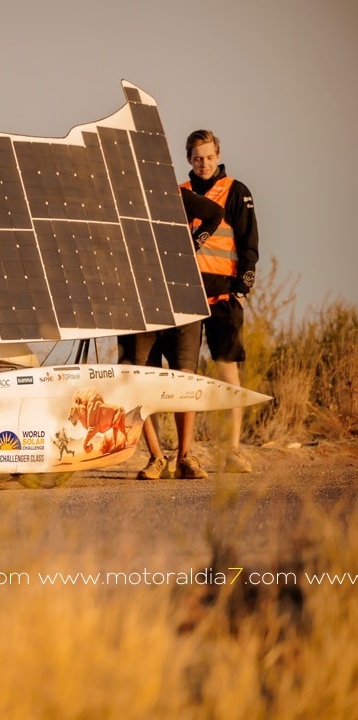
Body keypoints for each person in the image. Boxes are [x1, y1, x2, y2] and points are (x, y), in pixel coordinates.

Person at [120, 187, 225, 480]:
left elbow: (215, 213)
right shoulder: (118, 195)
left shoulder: (174, 192)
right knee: (139, 379)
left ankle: (185, 457)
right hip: (138, 299)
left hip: (182, 298)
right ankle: (155, 458)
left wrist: (192, 244)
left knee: (185, 377)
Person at [181, 129, 259, 473]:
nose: (204, 163)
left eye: (209, 157)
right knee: (185, 376)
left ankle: (233, 450)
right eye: (198, 158)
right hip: (185, 295)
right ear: (189, 159)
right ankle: (187, 453)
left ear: (218, 155)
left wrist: (245, 282)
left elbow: (248, 242)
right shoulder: (178, 193)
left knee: (228, 373)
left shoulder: (235, 191)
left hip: (224, 295)